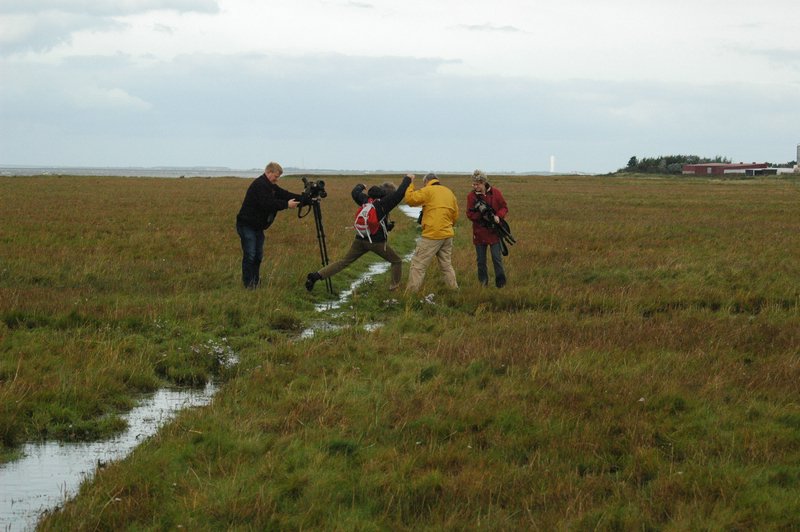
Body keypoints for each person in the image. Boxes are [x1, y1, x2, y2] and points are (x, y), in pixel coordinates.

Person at [305, 175, 412, 292]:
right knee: (396, 261)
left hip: (360, 238)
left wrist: (361, 186)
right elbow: (400, 193)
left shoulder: (366, 200)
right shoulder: (384, 204)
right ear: (388, 194)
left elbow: (355, 192)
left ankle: (316, 276)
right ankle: (394, 289)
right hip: (376, 242)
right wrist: (408, 179)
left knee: (343, 262)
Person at [235, 162, 303, 289]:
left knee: (258, 255)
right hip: (246, 225)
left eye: (278, 177)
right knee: (250, 255)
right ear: (268, 172)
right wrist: (286, 205)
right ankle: (249, 285)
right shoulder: (260, 185)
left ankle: (255, 282)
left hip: (257, 227)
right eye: (276, 176)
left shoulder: (270, 185)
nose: (277, 180)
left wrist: (303, 199)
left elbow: (285, 194)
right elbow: (267, 203)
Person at [404, 172, 459, 292]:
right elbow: (455, 214)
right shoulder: (449, 192)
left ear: (426, 182)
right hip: (448, 234)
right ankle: (454, 291)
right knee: (446, 266)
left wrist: (410, 183)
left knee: (418, 265)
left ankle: (410, 295)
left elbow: (410, 199)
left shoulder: (428, 190)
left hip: (432, 235)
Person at [466, 169, 508, 288]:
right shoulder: (471, 197)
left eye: (477, 184)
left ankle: (501, 284)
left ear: (483, 182)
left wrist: (498, 217)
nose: (474, 186)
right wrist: (481, 216)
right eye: (473, 184)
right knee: (481, 261)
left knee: (497, 259)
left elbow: (504, 207)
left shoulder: (496, 193)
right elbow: (469, 214)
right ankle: (483, 284)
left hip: (494, 232)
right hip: (479, 233)